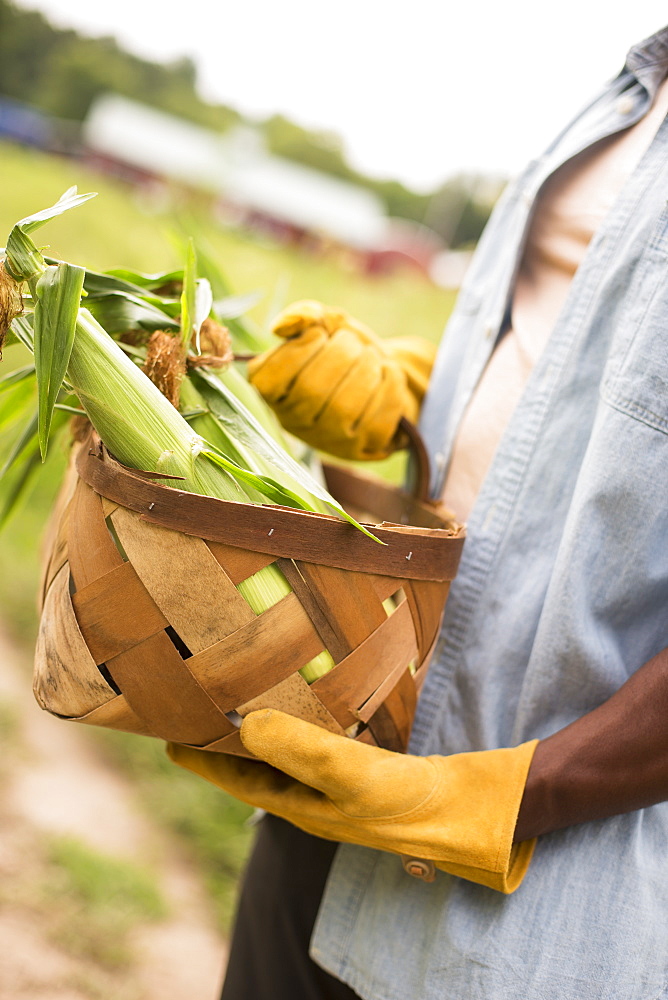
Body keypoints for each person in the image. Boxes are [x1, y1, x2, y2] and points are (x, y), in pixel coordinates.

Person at [168, 25, 668, 999]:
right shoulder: (627, 89)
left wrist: (490, 800)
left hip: (538, 893)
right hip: (356, 767)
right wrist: (420, 397)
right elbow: (568, 372)